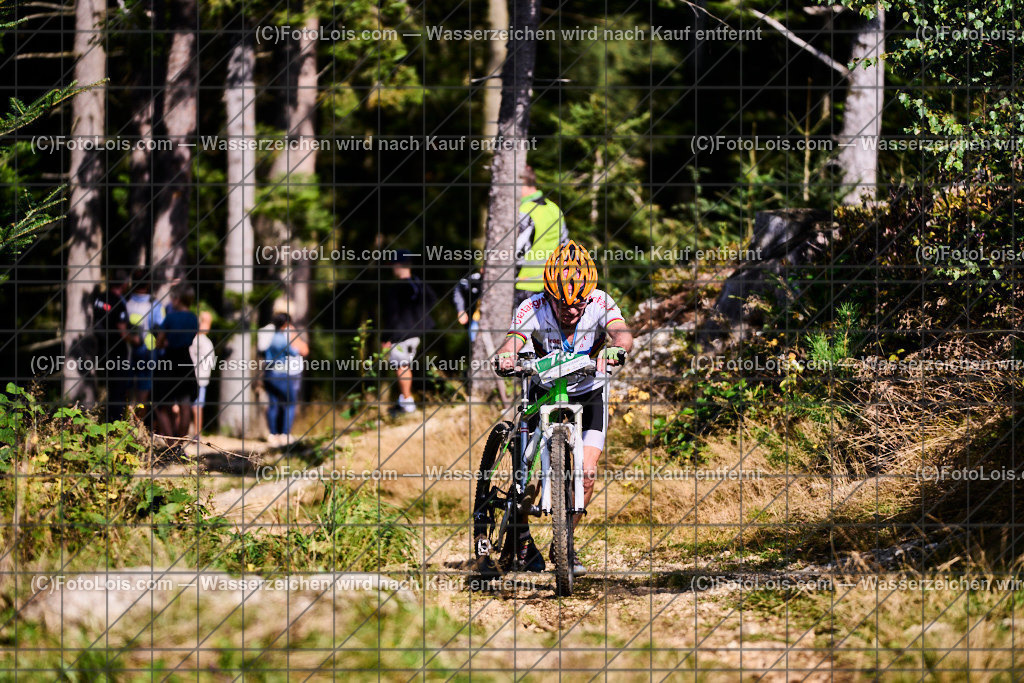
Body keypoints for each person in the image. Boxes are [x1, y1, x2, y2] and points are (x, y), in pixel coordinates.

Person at [491, 240, 633, 575]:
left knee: (585, 476)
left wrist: (617, 350)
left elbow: (622, 333)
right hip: (544, 392)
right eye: (562, 304)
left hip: (589, 393)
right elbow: (513, 340)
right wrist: (507, 355)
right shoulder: (532, 306)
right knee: (524, 480)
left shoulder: (601, 302)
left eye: (579, 304)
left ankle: (564, 545)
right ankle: (521, 537)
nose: (571, 310)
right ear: (549, 294)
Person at [382, 249, 437, 416]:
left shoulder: (397, 288)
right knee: (404, 365)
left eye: (394, 265)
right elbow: (432, 299)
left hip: (401, 334)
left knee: (401, 366)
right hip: (415, 332)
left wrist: (385, 337)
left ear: (399, 265)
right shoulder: (418, 284)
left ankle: (407, 402)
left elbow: (391, 315)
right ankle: (404, 400)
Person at [514, 165, 568, 307]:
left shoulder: (524, 211)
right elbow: (564, 247)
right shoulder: (555, 209)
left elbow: (517, 250)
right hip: (549, 286)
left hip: (523, 286)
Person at [153, 284, 199, 439]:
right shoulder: (193, 318)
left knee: (160, 404)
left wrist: (163, 342)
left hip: (169, 361)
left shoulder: (170, 318)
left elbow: (159, 343)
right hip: (186, 361)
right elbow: (191, 338)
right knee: (185, 405)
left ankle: (171, 445)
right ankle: (180, 444)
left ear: (177, 299)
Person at [260, 312, 308, 446]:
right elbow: (295, 352)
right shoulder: (282, 339)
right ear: (285, 324)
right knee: (290, 403)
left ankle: (273, 434)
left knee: (273, 404)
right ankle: (285, 435)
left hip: (268, 373)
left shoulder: (271, 337)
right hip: (280, 374)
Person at [124, 270, 165, 419]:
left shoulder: (125, 301)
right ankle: (138, 424)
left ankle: (124, 420)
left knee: (125, 387)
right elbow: (161, 328)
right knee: (144, 390)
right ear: (148, 284)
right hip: (149, 351)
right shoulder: (154, 304)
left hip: (125, 351)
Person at [92, 269, 130, 421]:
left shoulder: (99, 298)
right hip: (117, 352)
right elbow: (122, 331)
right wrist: (137, 340)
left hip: (101, 350)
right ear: (124, 284)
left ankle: (103, 420)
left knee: (106, 389)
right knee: (118, 391)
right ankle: (114, 425)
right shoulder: (119, 303)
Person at [189, 310, 216, 438]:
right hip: (201, 378)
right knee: (197, 407)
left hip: (192, 377)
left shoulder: (192, 339)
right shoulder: (205, 342)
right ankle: (196, 434)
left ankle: (181, 434)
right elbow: (210, 362)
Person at [452, 268, 482, 342]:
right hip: (474, 318)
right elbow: (458, 289)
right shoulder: (474, 279)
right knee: (476, 341)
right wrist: (461, 310)